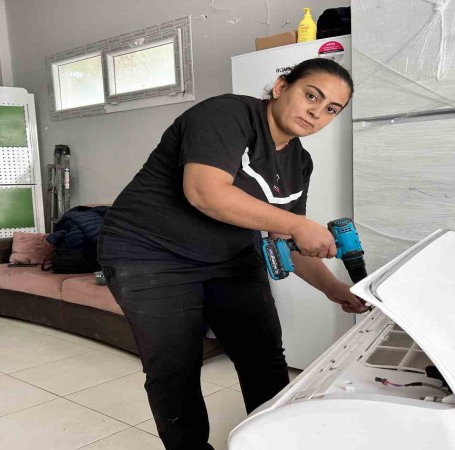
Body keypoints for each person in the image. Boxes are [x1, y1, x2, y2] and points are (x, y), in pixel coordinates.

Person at [98, 57, 367, 450]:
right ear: (281, 87)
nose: (317, 112)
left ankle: (271, 443)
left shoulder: (299, 162)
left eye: (331, 109)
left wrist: (335, 289)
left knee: (263, 357)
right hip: (150, 253)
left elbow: (283, 236)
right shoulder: (226, 114)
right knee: (175, 369)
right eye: (312, 96)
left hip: (230, 257)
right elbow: (205, 192)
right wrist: (298, 226)